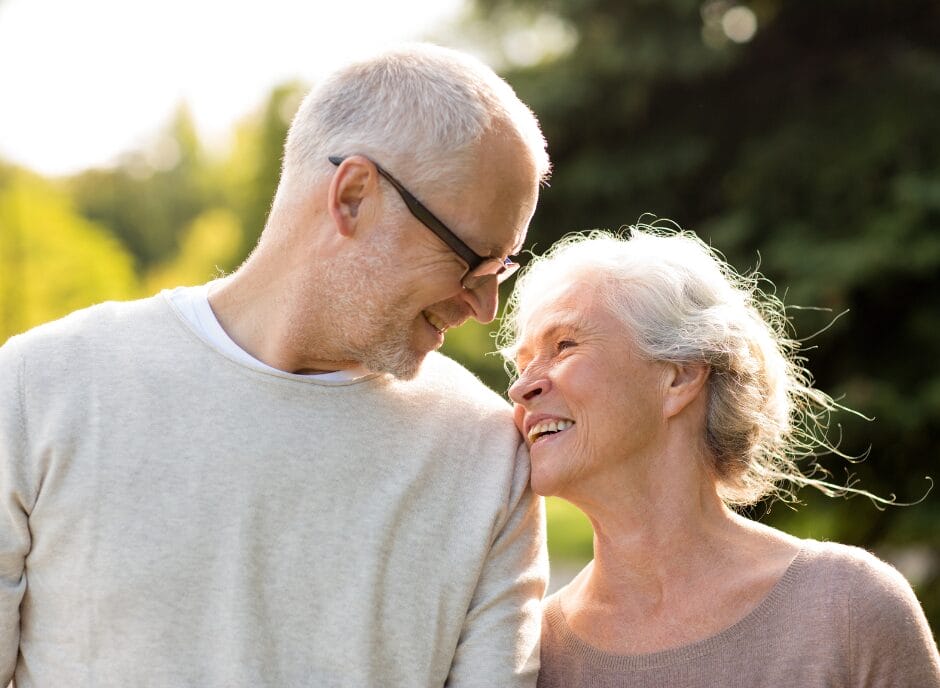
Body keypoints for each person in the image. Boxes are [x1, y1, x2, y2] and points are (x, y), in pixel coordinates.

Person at [0, 44, 551, 687]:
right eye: (472, 258)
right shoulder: (41, 388)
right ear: (351, 197)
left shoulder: (489, 456)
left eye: (501, 268)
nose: (487, 305)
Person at [500, 226, 940, 687]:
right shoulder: (529, 657)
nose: (521, 387)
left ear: (680, 377)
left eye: (564, 346)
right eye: (522, 362)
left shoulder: (848, 608)